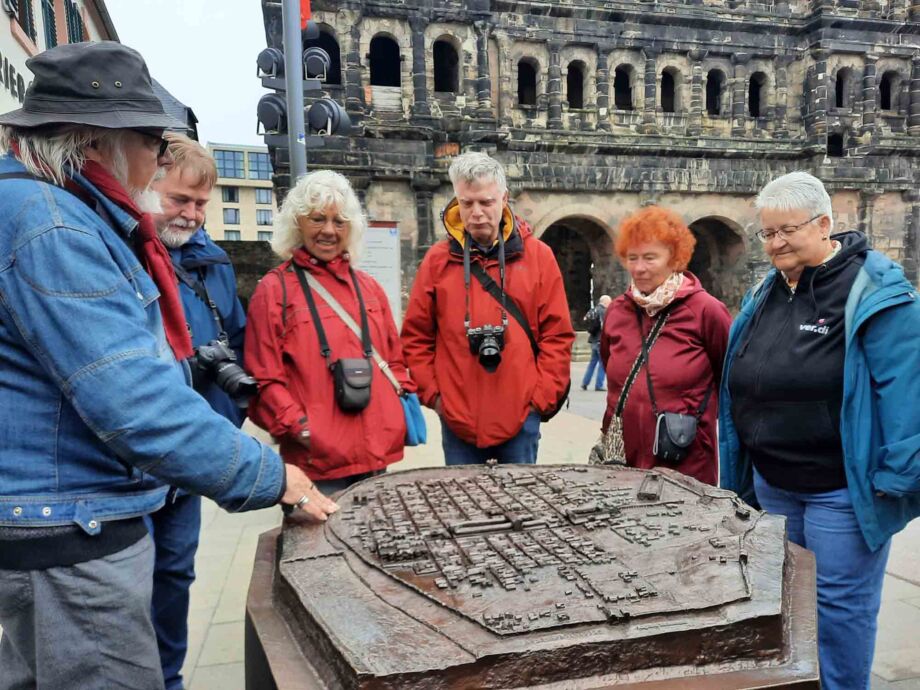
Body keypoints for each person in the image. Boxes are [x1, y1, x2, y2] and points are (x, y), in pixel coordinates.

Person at [0, 42, 335, 690]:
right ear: (103, 142)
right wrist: (272, 476)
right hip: (70, 524)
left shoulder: (55, 211)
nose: (157, 160)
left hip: (70, 511)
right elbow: (135, 400)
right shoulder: (53, 226)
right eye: (153, 143)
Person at [719, 171, 920, 690]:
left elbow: (906, 391)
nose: (776, 242)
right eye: (767, 233)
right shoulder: (770, 289)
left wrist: (898, 477)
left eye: (788, 230)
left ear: (825, 223)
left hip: (840, 489)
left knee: (837, 610)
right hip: (773, 483)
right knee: (786, 604)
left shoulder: (872, 290)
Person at [147, 133, 249, 690]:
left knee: (175, 575)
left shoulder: (214, 263)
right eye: (178, 199)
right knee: (124, 588)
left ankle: (168, 679)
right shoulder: (120, 250)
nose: (190, 214)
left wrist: (224, 423)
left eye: (200, 203)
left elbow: (234, 339)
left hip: (187, 461)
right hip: (128, 460)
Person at [245, 169, 414, 494]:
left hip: (376, 452)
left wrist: (394, 410)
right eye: (317, 219)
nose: (328, 230)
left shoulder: (369, 288)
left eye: (339, 221)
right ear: (297, 223)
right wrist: (299, 427)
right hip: (316, 461)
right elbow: (264, 376)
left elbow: (394, 358)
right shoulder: (275, 290)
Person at [401, 152, 574, 465]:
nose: (476, 213)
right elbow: (416, 337)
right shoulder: (438, 262)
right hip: (458, 418)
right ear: (456, 201)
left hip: (521, 415)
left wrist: (539, 401)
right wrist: (437, 398)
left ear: (504, 198)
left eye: (486, 202)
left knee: (520, 509)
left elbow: (557, 336)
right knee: (466, 510)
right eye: (467, 203)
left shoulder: (538, 257)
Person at [599, 206, 731, 484]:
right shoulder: (617, 311)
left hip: (684, 454)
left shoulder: (706, 310)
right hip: (623, 454)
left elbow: (728, 376)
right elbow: (609, 364)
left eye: (650, 257)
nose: (639, 267)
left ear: (674, 258)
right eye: (632, 257)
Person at [580, 295, 611, 391]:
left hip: (593, 340)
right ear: (605, 302)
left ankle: (585, 382)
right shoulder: (604, 312)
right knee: (602, 363)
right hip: (600, 341)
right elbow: (605, 327)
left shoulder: (593, 310)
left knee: (592, 363)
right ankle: (599, 384)